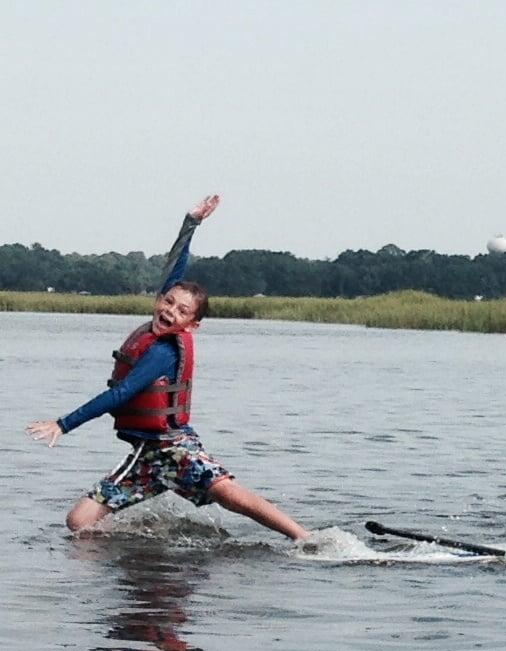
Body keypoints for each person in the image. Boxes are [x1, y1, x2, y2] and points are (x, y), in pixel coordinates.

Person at [26, 195, 310, 541]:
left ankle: (305, 538)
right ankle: (143, 548)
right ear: (159, 300)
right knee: (79, 523)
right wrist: (191, 223)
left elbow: (122, 394)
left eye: (181, 311)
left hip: (175, 448)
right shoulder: (158, 319)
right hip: (146, 456)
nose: (171, 311)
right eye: (168, 301)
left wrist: (64, 423)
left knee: (230, 495)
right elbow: (175, 267)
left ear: (191, 326)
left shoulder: (163, 351)